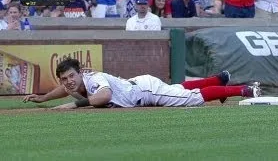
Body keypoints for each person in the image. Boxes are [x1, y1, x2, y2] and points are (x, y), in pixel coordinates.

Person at [23, 58, 261, 109]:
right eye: (64, 79)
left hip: (145, 92)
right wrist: (43, 98)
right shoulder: (73, 84)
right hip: (139, 86)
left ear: (80, 72)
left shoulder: (92, 79)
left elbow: (104, 96)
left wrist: (74, 105)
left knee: (192, 98)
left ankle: (243, 89)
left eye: (71, 77)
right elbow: (63, 89)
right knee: (178, 89)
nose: (68, 82)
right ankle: (219, 80)